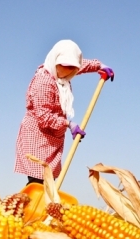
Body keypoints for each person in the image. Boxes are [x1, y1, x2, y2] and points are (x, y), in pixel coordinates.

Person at [14, 40, 114, 186]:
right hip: (37, 137)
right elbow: (44, 117)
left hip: (53, 138)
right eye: (65, 66)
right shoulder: (43, 81)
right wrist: (68, 124)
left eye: (72, 68)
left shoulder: (62, 74)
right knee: (38, 182)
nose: (68, 71)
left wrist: (99, 66)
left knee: (49, 183)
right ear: (55, 61)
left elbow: (78, 65)